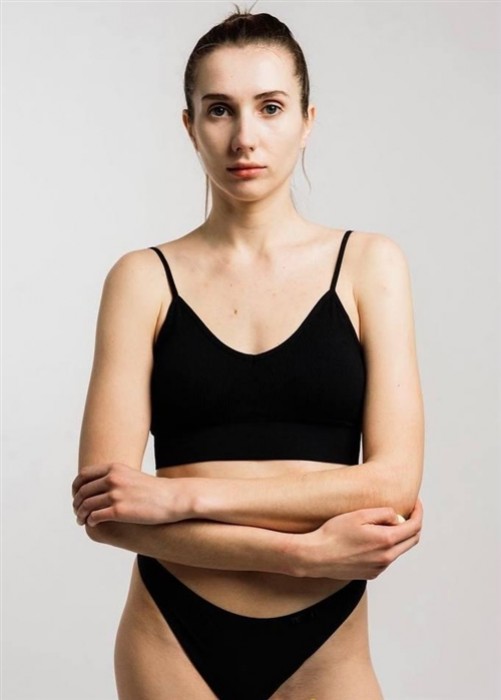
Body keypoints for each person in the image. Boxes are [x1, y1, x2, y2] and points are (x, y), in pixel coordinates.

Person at [71, 8, 424, 700]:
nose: (244, 137)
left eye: (270, 107)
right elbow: (109, 513)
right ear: (189, 126)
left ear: (307, 121)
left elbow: (391, 486)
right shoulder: (142, 279)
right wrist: (301, 553)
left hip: (327, 645)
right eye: (219, 110)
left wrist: (181, 496)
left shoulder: (369, 265)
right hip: (171, 633)